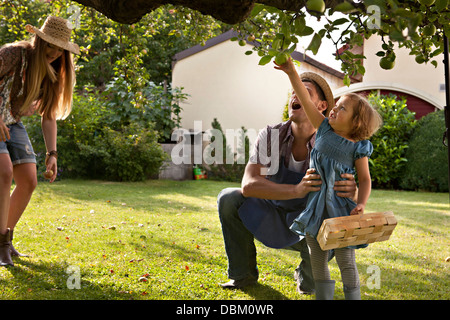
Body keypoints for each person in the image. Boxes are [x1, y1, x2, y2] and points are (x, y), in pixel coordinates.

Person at [217, 68, 358, 294]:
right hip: (272, 214)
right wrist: (297, 189)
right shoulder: (272, 136)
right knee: (229, 198)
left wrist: (352, 191)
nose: (295, 96)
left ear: (321, 106)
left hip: (308, 225)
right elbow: (249, 185)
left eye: (303, 92)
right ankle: (242, 274)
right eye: (293, 92)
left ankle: (306, 272)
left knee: (312, 284)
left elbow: (348, 199)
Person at [275, 57, 382, 299]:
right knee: (317, 258)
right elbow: (304, 98)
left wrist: (362, 203)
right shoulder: (322, 128)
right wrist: (292, 72)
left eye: (342, 108)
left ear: (356, 121)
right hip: (315, 208)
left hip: (342, 210)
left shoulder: (359, 147)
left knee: (346, 260)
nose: (334, 108)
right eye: (335, 105)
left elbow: (365, 179)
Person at [0, 16, 79, 266]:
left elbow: (48, 116)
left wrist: (52, 154)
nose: (54, 52)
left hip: (11, 122)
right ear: (39, 39)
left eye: (60, 48)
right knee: (3, 172)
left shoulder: (53, 71)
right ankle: (0, 245)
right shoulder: (14, 54)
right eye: (50, 45)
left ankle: (4, 240)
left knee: (29, 180)